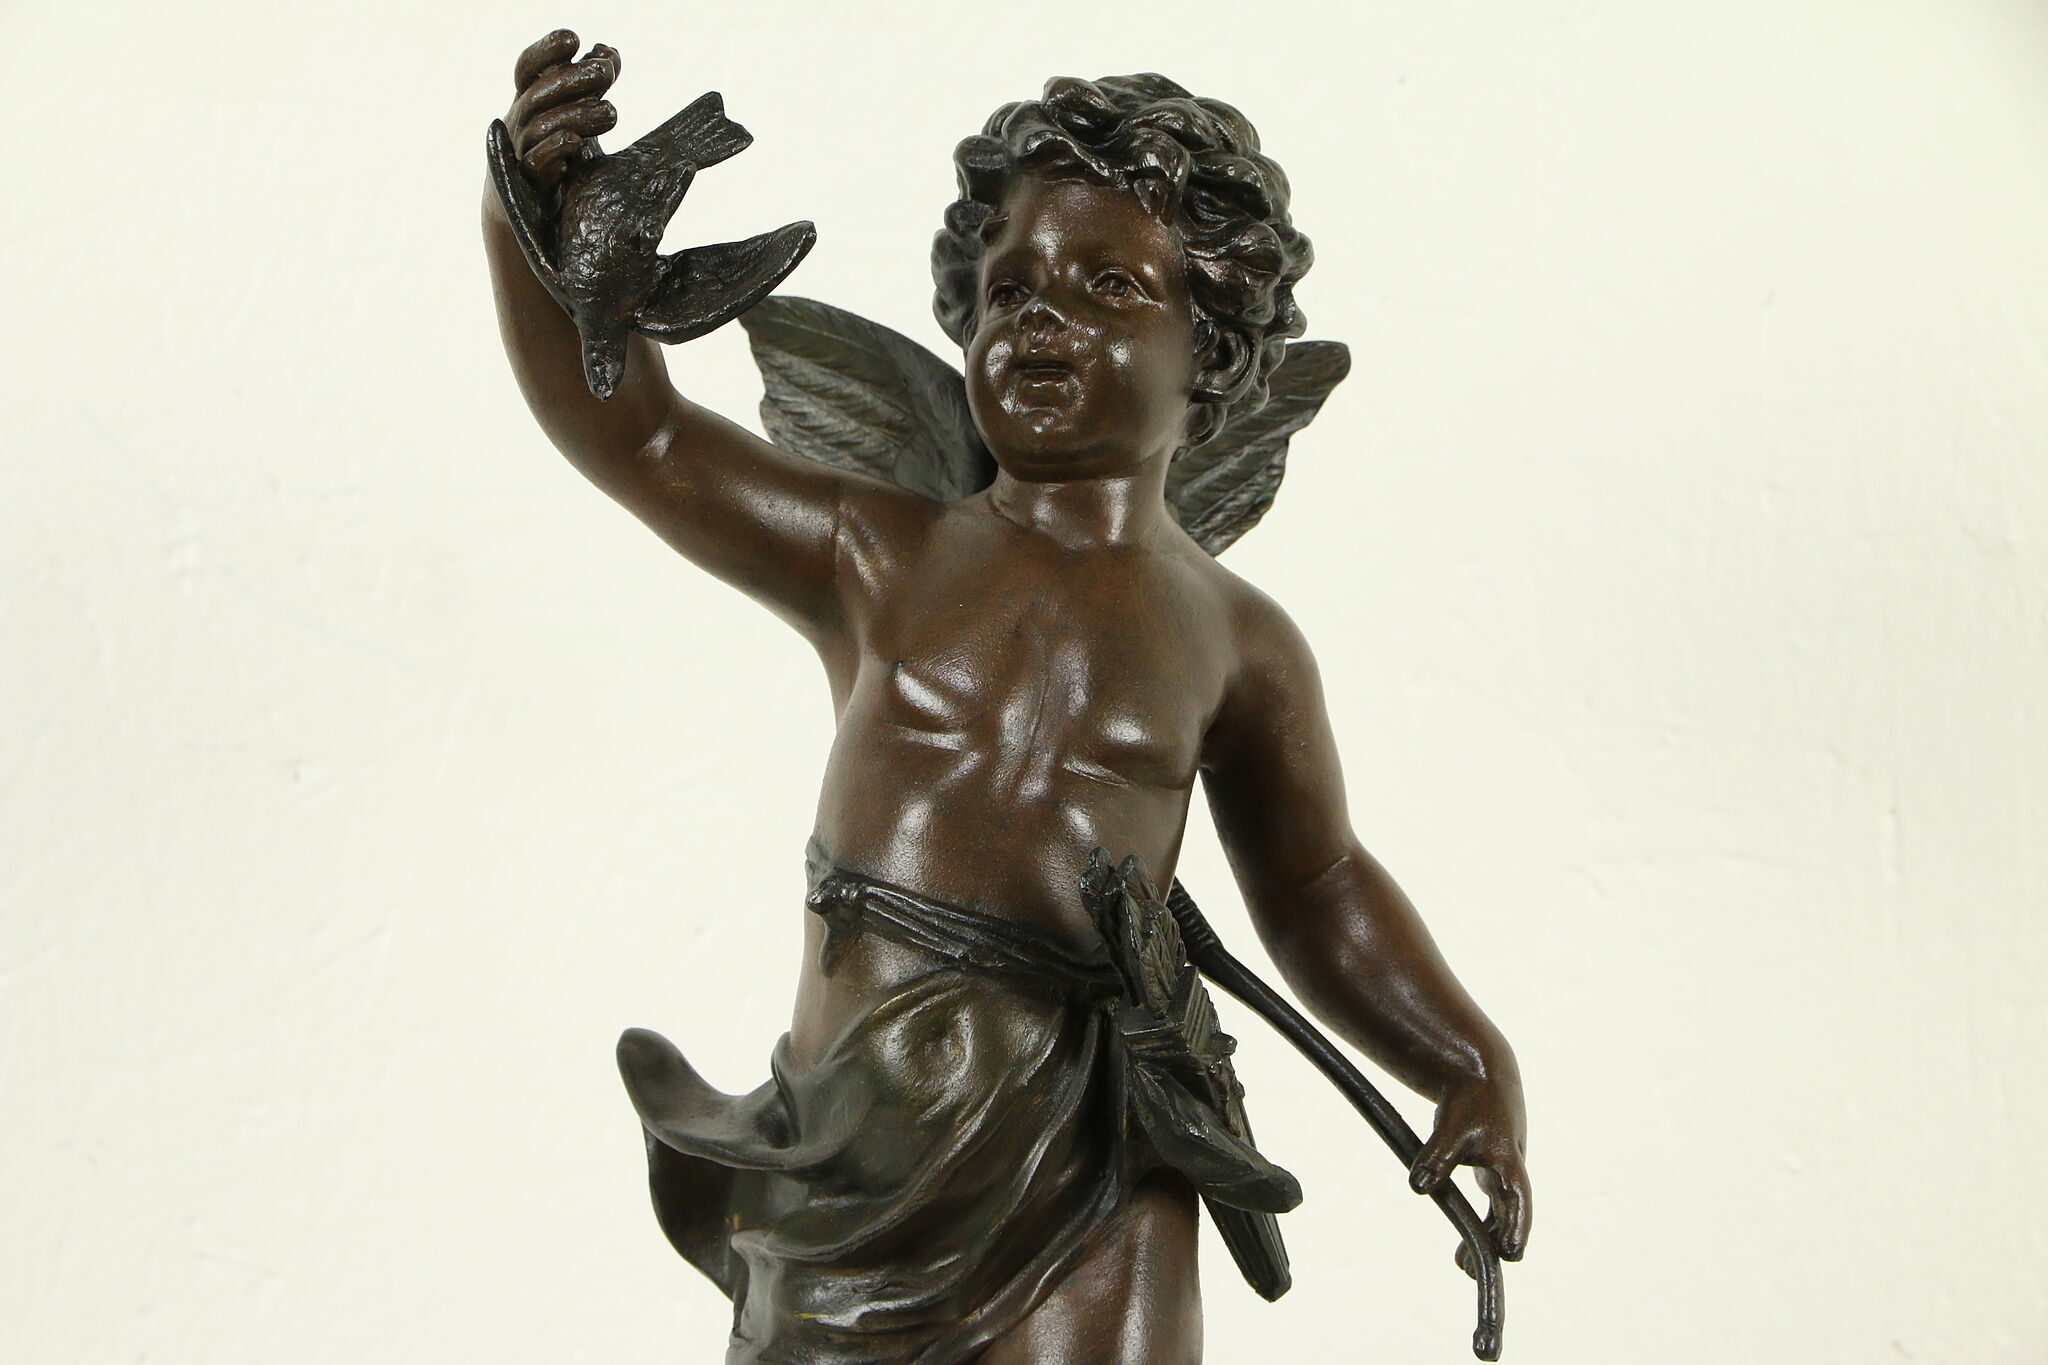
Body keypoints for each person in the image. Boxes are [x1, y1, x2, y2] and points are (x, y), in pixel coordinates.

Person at [484, 29, 1531, 1365]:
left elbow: (1319, 885)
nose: (1040, 316)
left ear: (1211, 345)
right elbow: (639, 435)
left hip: (1104, 1140)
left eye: (1108, 286)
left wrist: (1467, 1059)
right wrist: (527, 221)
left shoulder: (1238, 639)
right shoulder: (877, 552)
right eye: (1010, 288)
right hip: (868, 1127)